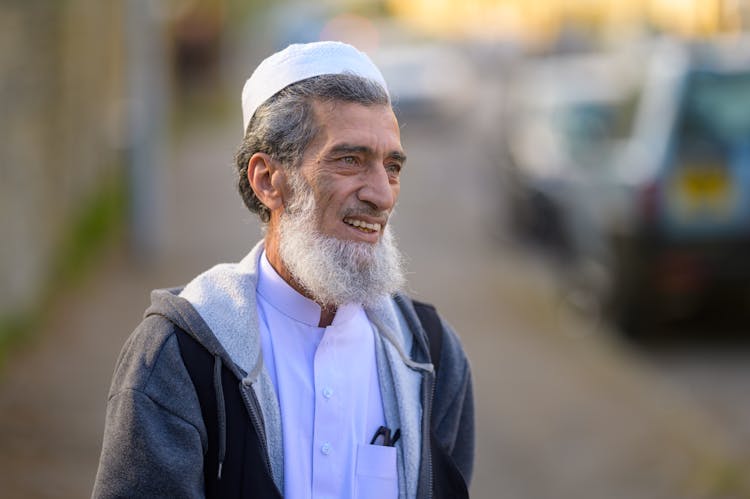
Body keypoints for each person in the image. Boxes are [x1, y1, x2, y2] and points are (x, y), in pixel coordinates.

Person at [93, 41, 474, 499]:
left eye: (391, 167)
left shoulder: (431, 354)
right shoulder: (180, 355)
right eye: (349, 160)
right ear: (268, 180)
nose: (382, 194)